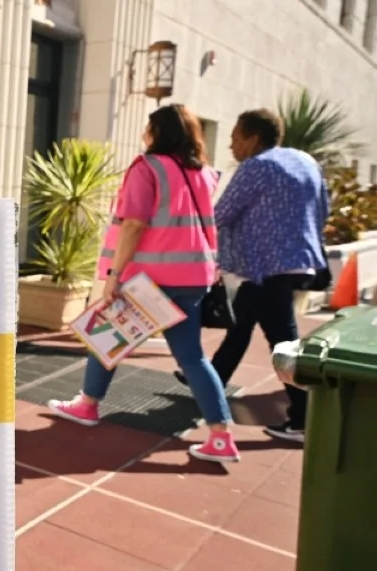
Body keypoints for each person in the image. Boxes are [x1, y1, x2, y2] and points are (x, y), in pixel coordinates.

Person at [47, 104, 239, 463]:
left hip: (148, 279)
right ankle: (221, 436)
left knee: (106, 339)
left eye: (147, 127)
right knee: (193, 357)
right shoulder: (202, 173)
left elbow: (134, 224)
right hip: (193, 276)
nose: (143, 133)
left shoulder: (147, 167)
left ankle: (87, 406)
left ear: (158, 132)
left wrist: (114, 276)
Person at [174, 109, 328, 444]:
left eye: (234, 138)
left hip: (264, 267)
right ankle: (209, 380)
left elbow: (222, 213)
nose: (231, 146)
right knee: (239, 325)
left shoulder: (257, 166)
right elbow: (322, 209)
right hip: (295, 262)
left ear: (253, 138)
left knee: (285, 344)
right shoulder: (306, 162)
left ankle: (304, 418)